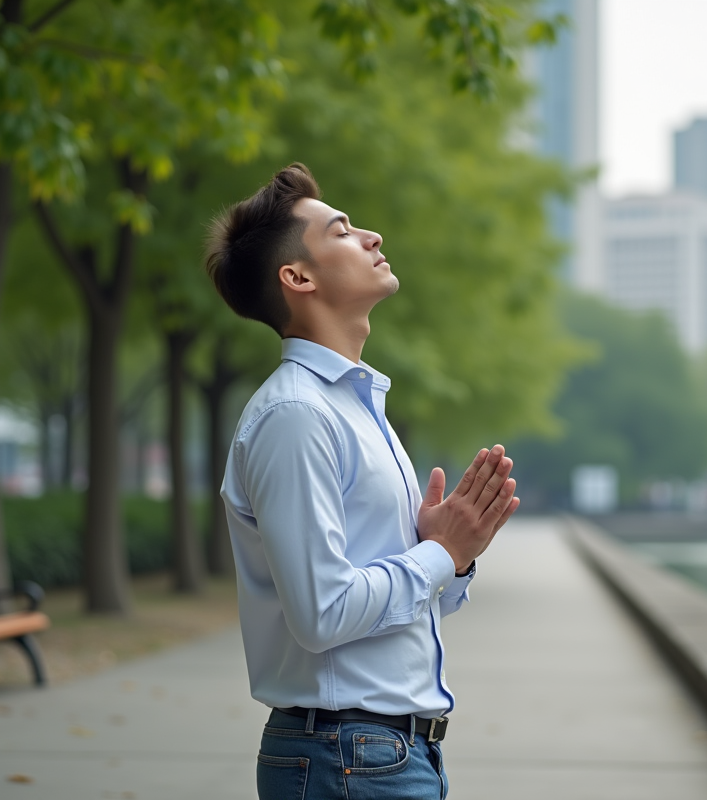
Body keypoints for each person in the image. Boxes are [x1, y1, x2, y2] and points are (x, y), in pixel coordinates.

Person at [204, 163, 520, 800]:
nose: (372, 236)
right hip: (346, 757)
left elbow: (408, 606)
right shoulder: (296, 415)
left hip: (386, 753)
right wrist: (439, 553)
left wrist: (449, 562)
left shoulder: (357, 404)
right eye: (342, 232)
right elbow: (322, 614)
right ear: (298, 277)